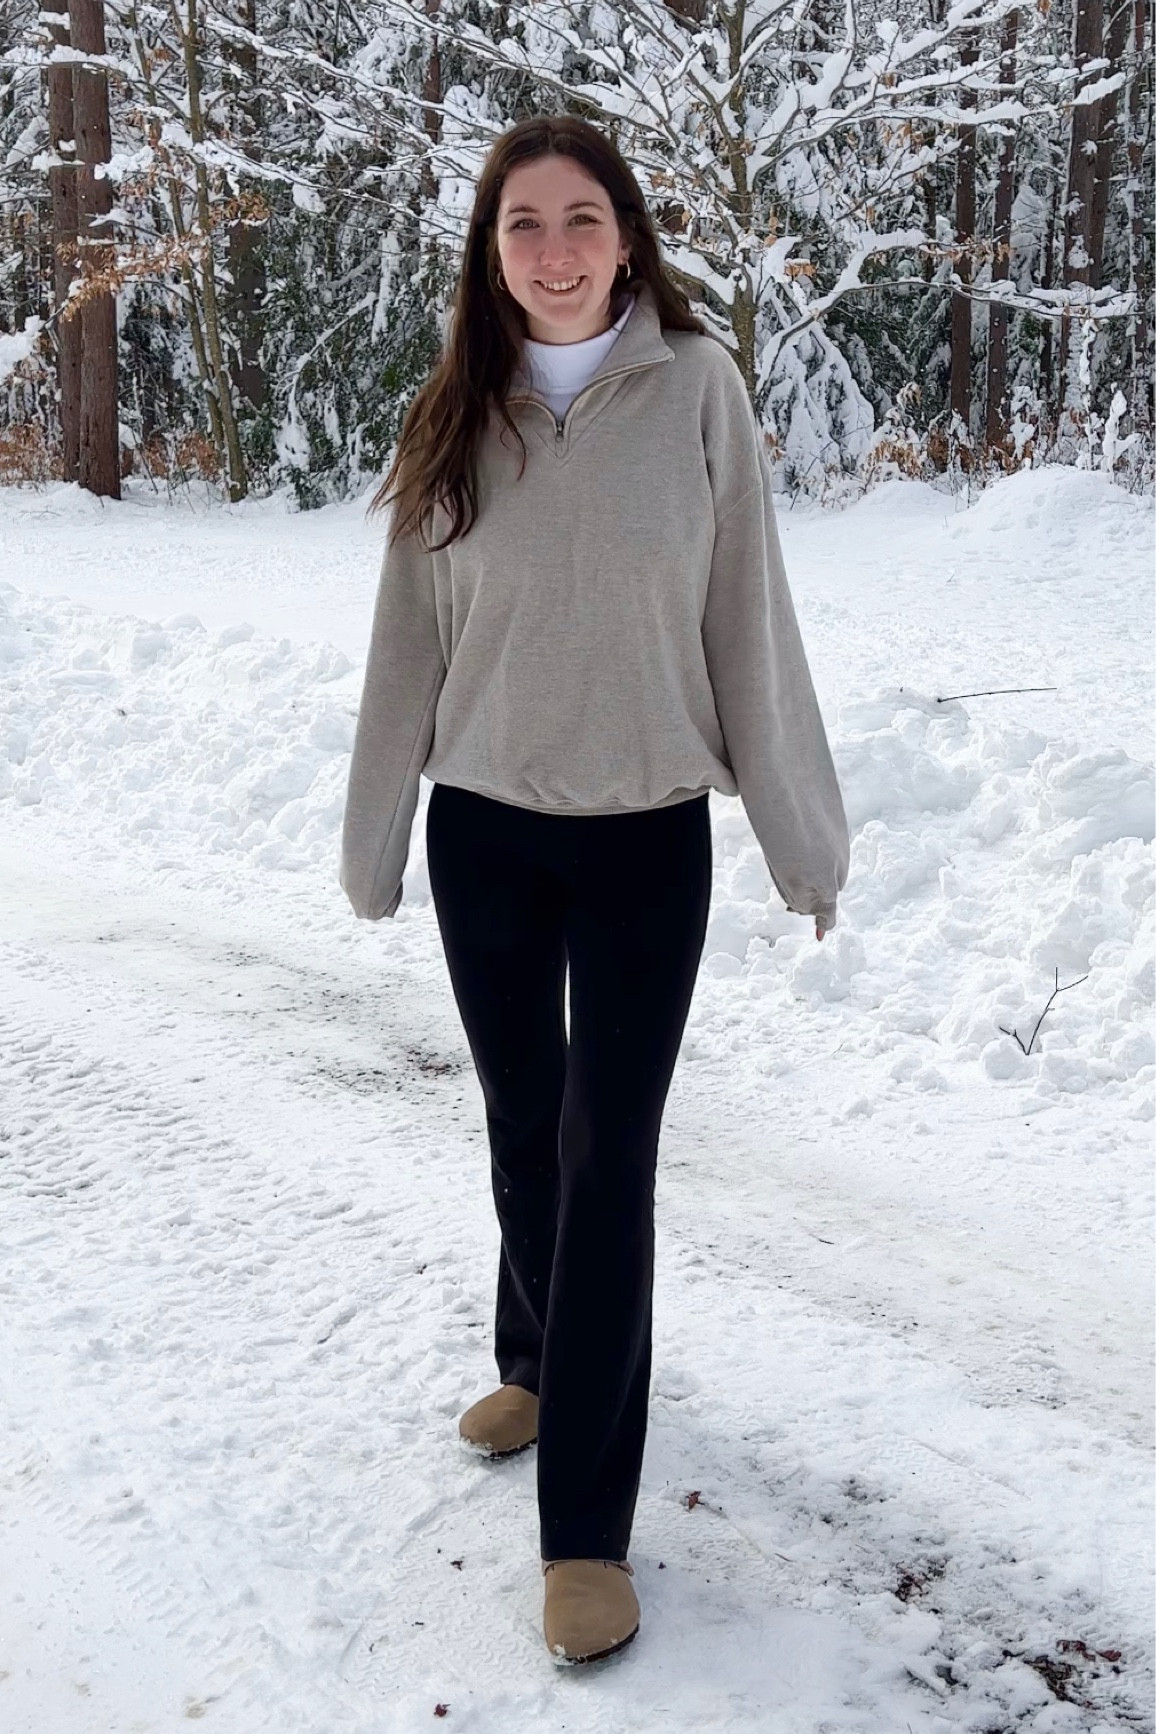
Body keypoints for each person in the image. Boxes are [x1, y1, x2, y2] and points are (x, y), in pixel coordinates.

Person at [340, 114, 850, 1666]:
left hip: (641, 843)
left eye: (579, 219)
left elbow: (745, 622)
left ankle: (584, 1530)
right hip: (484, 833)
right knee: (519, 1127)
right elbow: (408, 644)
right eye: (520, 226)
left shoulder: (699, 395)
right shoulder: (456, 411)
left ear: (628, 235)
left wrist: (798, 825)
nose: (552, 251)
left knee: (603, 1152)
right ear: (488, 253)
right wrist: (373, 830)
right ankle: (541, 1358)